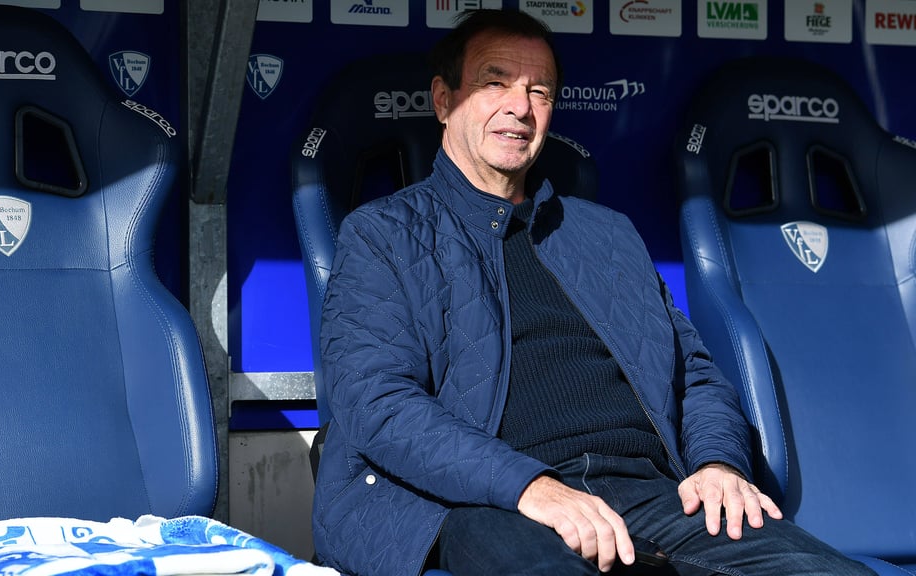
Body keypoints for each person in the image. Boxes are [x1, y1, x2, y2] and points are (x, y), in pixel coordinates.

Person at [311, 8, 877, 576]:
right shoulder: (381, 233)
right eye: (494, 83)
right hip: (477, 499)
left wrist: (716, 463)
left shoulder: (607, 233)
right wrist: (530, 485)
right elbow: (376, 403)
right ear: (443, 100)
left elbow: (696, 375)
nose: (520, 108)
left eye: (540, 91)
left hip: (649, 495)